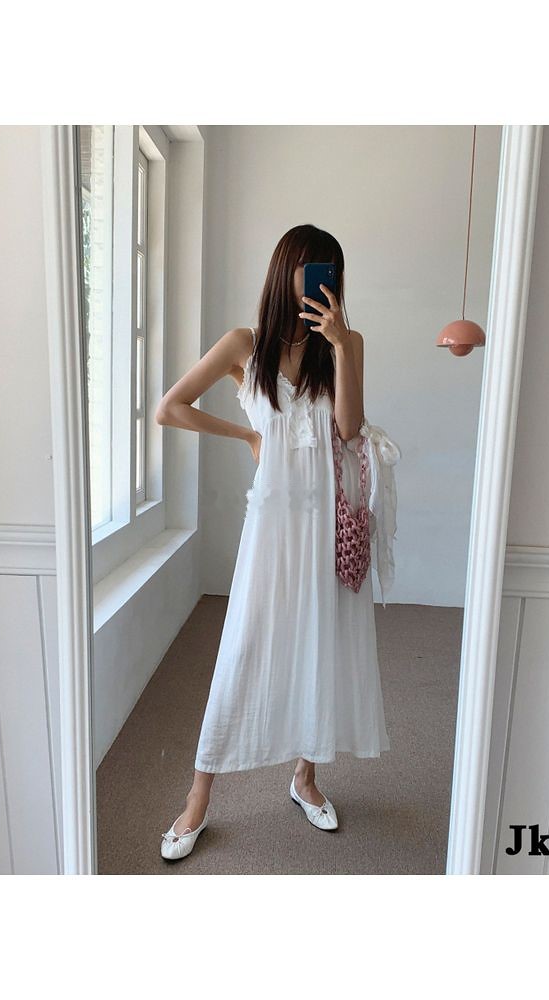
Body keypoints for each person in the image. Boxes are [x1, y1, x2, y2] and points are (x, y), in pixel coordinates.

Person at [155, 224, 391, 861]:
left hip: (327, 520)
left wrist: (340, 346)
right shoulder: (245, 344)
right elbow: (171, 407)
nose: (321, 282)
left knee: (322, 640)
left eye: (331, 271)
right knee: (245, 645)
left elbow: (348, 430)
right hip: (274, 522)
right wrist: (248, 436)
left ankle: (305, 778)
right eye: (311, 269)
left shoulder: (346, 344)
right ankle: (198, 797)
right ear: (285, 270)